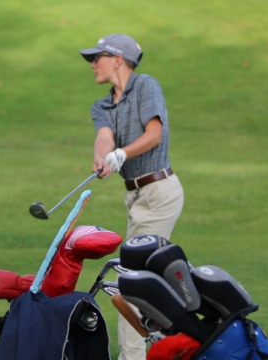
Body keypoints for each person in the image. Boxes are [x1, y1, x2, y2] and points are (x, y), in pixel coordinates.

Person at [79, 34, 184, 360]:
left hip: (159, 193)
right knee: (146, 282)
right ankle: (172, 344)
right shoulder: (103, 105)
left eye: (97, 57)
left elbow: (154, 134)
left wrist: (122, 154)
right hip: (137, 198)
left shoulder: (145, 86)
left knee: (131, 284)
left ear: (118, 59)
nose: (92, 64)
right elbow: (104, 136)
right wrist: (102, 157)